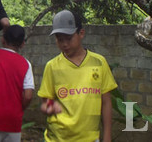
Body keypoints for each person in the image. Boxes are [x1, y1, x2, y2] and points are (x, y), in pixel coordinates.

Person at [38, 10, 118, 142]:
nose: (64, 44)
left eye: (68, 38)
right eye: (59, 39)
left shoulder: (99, 62)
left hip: (89, 138)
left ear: (81, 33)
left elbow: (106, 102)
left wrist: (107, 136)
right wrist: (50, 105)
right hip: (58, 138)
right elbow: (46, 100)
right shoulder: (52, 66)